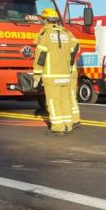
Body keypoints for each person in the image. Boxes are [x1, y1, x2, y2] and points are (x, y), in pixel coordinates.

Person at [34, 8, 80, 136]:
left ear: (45, 20)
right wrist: (70, 63)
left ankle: (58, 127)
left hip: (51, 75)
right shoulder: (66, 33)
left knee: (53, 102)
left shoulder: (45, 34)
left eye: (42, 19)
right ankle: (68, 125)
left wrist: (37, 73)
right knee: (65, 100)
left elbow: (41, 55)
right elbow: (75, 47)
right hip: (66, 75)